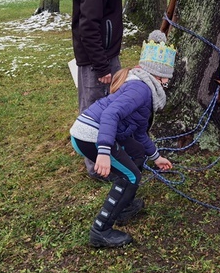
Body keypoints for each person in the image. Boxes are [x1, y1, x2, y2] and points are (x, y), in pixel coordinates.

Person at [69, 30, 175, 248]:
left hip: (96, 133)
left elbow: (138, 133)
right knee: (130, 177)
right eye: (167, 77)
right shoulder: (141, 90)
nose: (168, 82)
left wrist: (156, 157)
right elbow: (110, 115)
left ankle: (123, 205)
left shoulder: (143, 88)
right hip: (90, 137)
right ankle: (100, 230)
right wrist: (104, 152)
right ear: (159, 76)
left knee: (136, 152)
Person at [70, 0, 137, 180]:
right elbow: (88, 27)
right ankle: (97, 168)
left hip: (106, 55)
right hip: (98, 59)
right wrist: (101, 65)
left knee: (110, 106)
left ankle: (108, 154)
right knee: (95, 110)